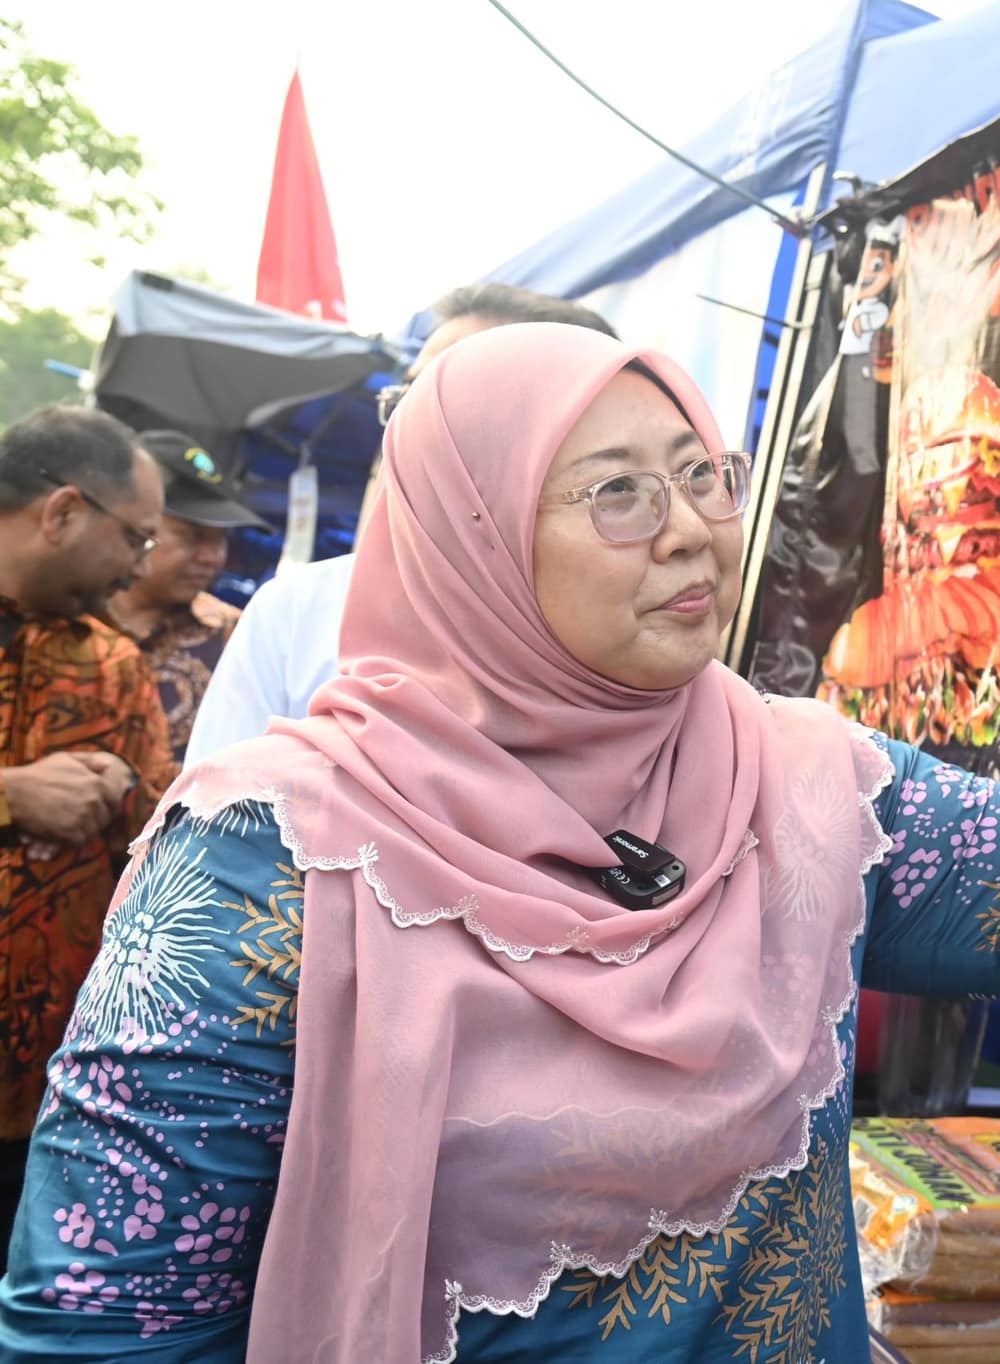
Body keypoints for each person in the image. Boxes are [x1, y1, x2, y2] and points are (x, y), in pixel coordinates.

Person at [0, 322, 1000, 1360]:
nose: (692, 530)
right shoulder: (275, 855)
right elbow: (105, 1321)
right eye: (616, 488)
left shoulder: (800, 780)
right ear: (475, 538)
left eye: (702, 474)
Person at [182, 283, 617, 763]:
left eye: (453, 398)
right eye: (407, 395)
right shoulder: (300, 609)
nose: (413, 424)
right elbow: (210, 816)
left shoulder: (624, 619)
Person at [0, 407, 175, 1244]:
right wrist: (11, 794)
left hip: (51, 1096)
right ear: (64, 511)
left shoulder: (111, 662)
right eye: (135, 538)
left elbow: (153, 855)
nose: (137, 566)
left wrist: (138, 799)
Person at [105, 432, 271, 764]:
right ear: (138, 523)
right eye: (192, 535)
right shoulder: (59, 612)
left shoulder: (235, 636)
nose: (212, 558)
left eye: (221, 539)